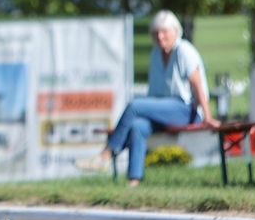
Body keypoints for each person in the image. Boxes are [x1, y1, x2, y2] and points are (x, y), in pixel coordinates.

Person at [76, 10, 219, 186]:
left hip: (186, 109)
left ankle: (106, 154)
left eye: (165, 31)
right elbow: (155, 91)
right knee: (137, 126)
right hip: (165, 109)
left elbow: (197, 84)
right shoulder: (155, 54)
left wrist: (208, 116)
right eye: (156, 32)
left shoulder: (184, 50)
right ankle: (134, 181)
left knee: (135, 105)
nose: (160, 36)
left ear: (175, 31)